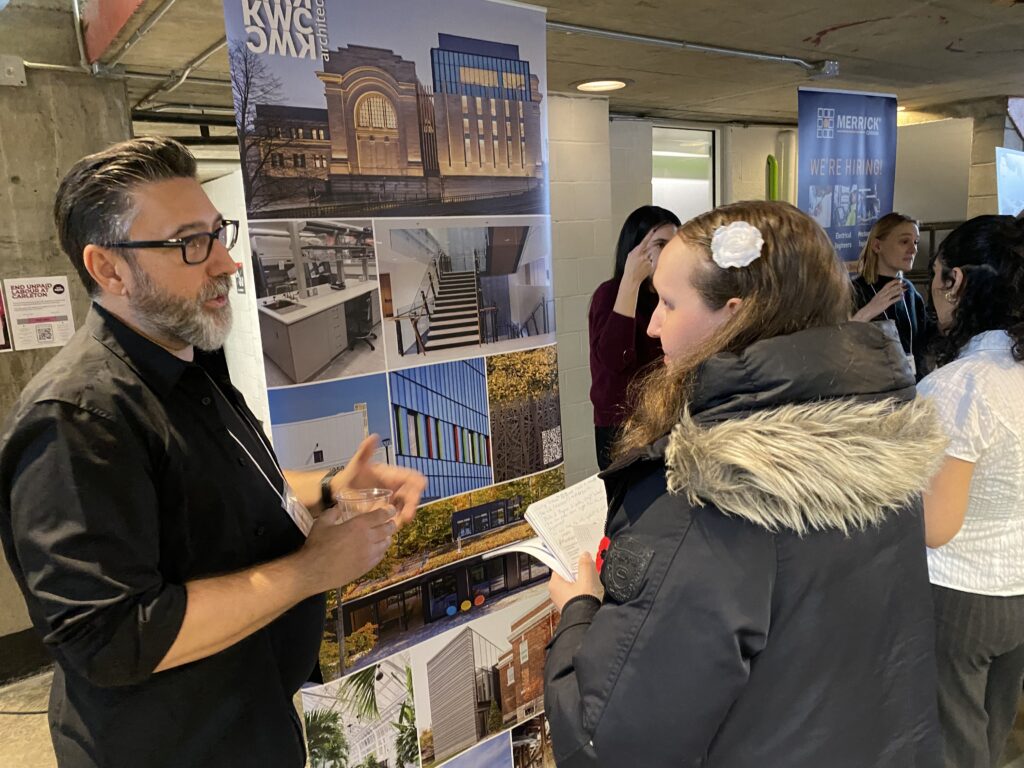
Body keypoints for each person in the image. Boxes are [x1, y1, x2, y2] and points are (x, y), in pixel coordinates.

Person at [0, 137, 427, 768]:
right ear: (109, 269)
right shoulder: (77, 418)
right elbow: (111, 638)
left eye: (217, 234)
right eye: (188, 244)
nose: (226, 263)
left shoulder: (191, 363)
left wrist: (333, 488)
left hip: (253, 719)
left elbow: (225, 492)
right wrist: (312, 569)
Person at [544, 201, 946, 767]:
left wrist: (579, 613)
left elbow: (606, 744)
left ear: (732, 315)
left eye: (669, 303)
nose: (654, 323)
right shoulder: (881, 446)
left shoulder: (712, 498)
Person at [916, 215, 1024, 768]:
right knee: (993, 731)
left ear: (955, 280)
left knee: (952, 747)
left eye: (933, 277)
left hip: (958, 595)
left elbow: (936, 526)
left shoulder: (960, 385)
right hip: (1017, 589)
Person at [588, 205, 680, 470]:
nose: (670, 253)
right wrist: (630, 281)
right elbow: (616, 359)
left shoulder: (668, 295)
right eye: (661, 244)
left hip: (664, 416)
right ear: (635, 250)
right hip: (620, 424)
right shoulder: (609, 294)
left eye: (675, 244)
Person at [851, 212, 931, 379]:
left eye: (915, 242)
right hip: (873, 389)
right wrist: (869, 311)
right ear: (877, 246)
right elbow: (838, 342)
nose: (913, 249)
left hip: (912, 386)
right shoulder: (854, 291)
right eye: (904, 241)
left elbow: (924, 342)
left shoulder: (910, 292)